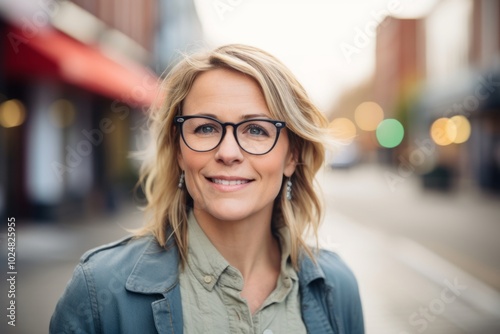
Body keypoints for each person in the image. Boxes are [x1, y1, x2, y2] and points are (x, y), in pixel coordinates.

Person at [50, 44, 364, 334]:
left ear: (291, 156)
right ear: (178, 150)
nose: (228, 152)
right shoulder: (99, 290)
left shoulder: (336, 287)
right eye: (206, 128)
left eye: (256, 129)